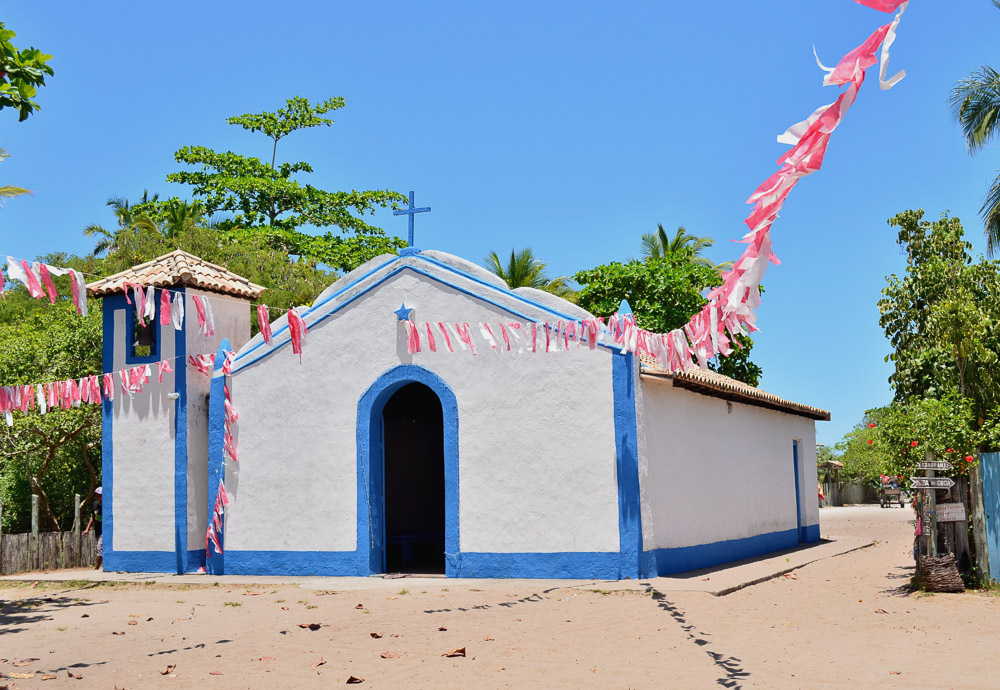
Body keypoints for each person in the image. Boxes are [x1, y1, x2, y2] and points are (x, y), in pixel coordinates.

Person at [84, 487, 103, 570]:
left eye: (99, 495)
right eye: (96, 496)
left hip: (105, 531)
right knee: (100, 548)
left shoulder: (107, 505)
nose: (98, 497)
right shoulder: (95, 504)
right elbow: (92, 517)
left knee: (100, 548)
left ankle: (97, 568)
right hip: (98, 531)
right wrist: (87, 528)